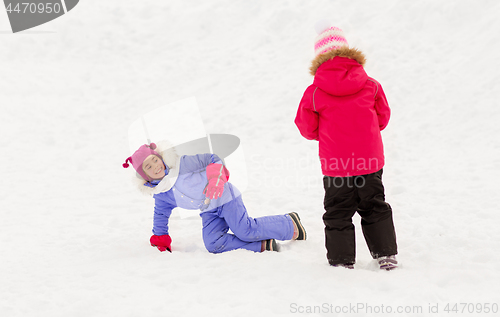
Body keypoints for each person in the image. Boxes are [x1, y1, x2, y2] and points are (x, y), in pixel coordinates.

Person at [294, 23, 398, 270]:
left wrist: (328, 135)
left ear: (320, 57)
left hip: (336, 163)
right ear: (350, 53)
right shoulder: (371, 84)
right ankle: (386, 255)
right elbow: (383, 117)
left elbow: (306, 127)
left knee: (338, 209)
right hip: (369, 160)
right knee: (374, 204)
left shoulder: (315, 92)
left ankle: (342, 261)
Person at [123, 142, 306, 254]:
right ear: (145, 176)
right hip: (209, 209)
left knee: (244, 229)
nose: (155, 166)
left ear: (160, 157)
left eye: (154, 160)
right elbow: (160, 216)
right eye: (148, 167)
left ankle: (289, 224)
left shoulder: (182, 164)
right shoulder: (162, 195)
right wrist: (160, 237)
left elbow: (212, 158)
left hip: (224, 195)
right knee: (213, 244)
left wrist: (215, 179)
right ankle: (262, 245)